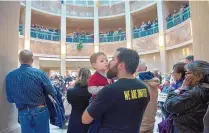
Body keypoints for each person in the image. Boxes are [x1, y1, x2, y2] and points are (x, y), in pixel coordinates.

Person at [82, 48, 150, 133]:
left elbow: (85, 119)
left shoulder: (110, 90)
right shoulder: (144, 88)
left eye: (113, 59)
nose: (109, 63)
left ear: (121, 65)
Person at [5, 50, 56, 133]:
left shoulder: (10, 76)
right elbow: (52, 92)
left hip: (23, 111)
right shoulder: (40, 73)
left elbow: (10, 99)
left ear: (20, 60)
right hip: (40, 109)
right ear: (32, 60)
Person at [164, 60, 209, 133]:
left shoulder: (196, 93)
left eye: (188, 73)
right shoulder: (203, 89)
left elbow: (169, 106)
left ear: (200, 75)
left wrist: (180, 88)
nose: (185, 76)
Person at [87, 52, 114, 133]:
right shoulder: (94, 77)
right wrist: (104, 89)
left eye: (106, 60)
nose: (106, 62)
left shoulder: (109, 76)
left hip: (107, 102)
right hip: (97, 102)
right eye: (102, 61)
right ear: (94, 65)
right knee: (96, 122)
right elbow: (90, 89)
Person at [136, 60, 160, 133]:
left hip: (140, 124)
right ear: (146, 68)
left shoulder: (137, 83)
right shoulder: (154, 81)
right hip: (151, 121)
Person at [67, 68, 92, 133]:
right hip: (89, 118)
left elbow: (69, 101)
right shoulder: (92, 92)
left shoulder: (70, 91)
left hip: (74, 118)